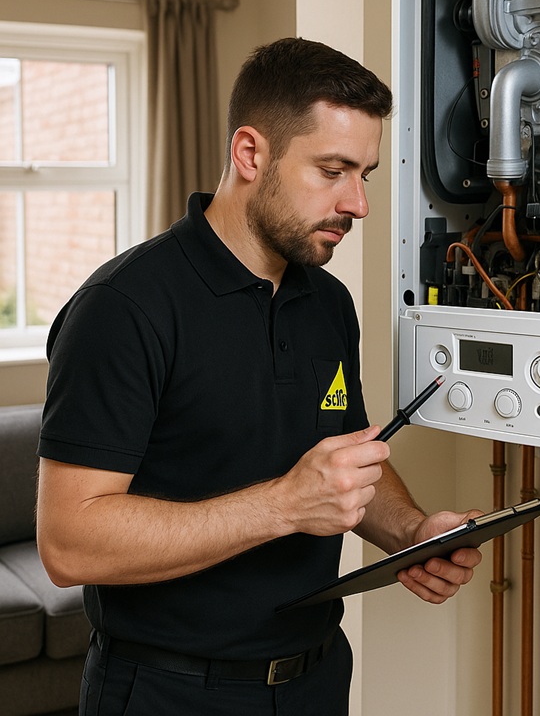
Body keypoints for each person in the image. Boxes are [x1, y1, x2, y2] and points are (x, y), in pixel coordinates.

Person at [35, 38, 482, 716]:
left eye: (365, 173)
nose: (357, 203)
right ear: (251, 154)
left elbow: (347, 451)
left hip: (317, 677)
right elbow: (69, 543)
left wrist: (413, 533)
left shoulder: (327, 301)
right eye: (333, 169)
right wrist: (282, 505)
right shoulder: (123, 308)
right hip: (169, 691)